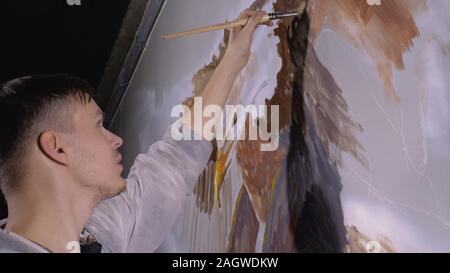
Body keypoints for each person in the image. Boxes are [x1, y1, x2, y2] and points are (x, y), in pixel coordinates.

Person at [0, 10, 271, 253]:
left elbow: (176, 158)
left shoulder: (104, 235)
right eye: (98, 126)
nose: (116, 139)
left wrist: (233, 60)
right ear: (57, 148)